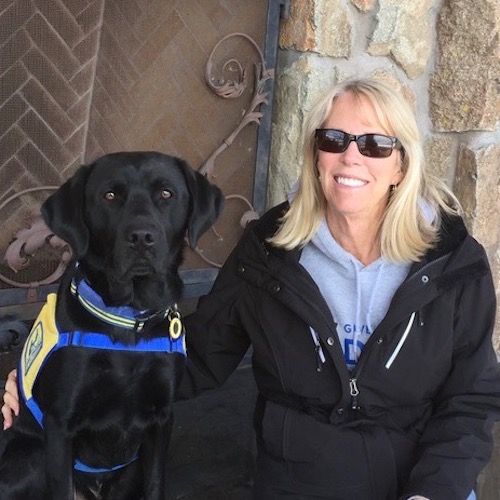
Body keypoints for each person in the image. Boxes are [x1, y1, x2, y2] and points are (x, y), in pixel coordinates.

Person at [3, 77, 500, 499]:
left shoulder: (453, 262)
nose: (352, 157)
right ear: (314, 155)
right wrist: (43, 374)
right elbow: (194, 356)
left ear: (401, 165)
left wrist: (435, 491)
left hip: (424, 479)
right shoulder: (269, 253)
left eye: (375, 144)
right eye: (334, 140)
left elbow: (471, 399)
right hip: (303, 479)